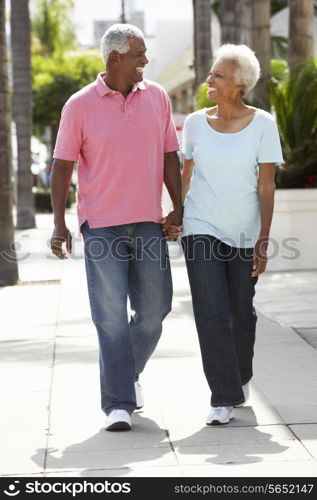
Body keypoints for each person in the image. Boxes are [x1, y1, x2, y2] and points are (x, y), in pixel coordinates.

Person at [50, 24, 182, 431]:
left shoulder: (157, 97)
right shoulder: (79, 105)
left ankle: (126, 376)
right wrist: (59, 224)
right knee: (109, 316)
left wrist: (178, 207)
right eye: (139, 54)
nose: (146, 60)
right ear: (115, 58)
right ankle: (118, 403)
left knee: (155, 310)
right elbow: (62, 166)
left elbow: (169, 155)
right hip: (101, 226)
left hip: (148, 221)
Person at [180, 44, 283, 425]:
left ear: (239, 84)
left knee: (241, 312)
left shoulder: (263, 125)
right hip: (200, 226)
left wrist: (264, 238)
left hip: (244, 231)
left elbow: (267, 186)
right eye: (211, 73)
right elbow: (185, 175)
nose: (209, 79)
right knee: (210, 310)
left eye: (218, 75)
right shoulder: (193, 124)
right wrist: (176, 213)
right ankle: (222, 396)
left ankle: (238, 378)